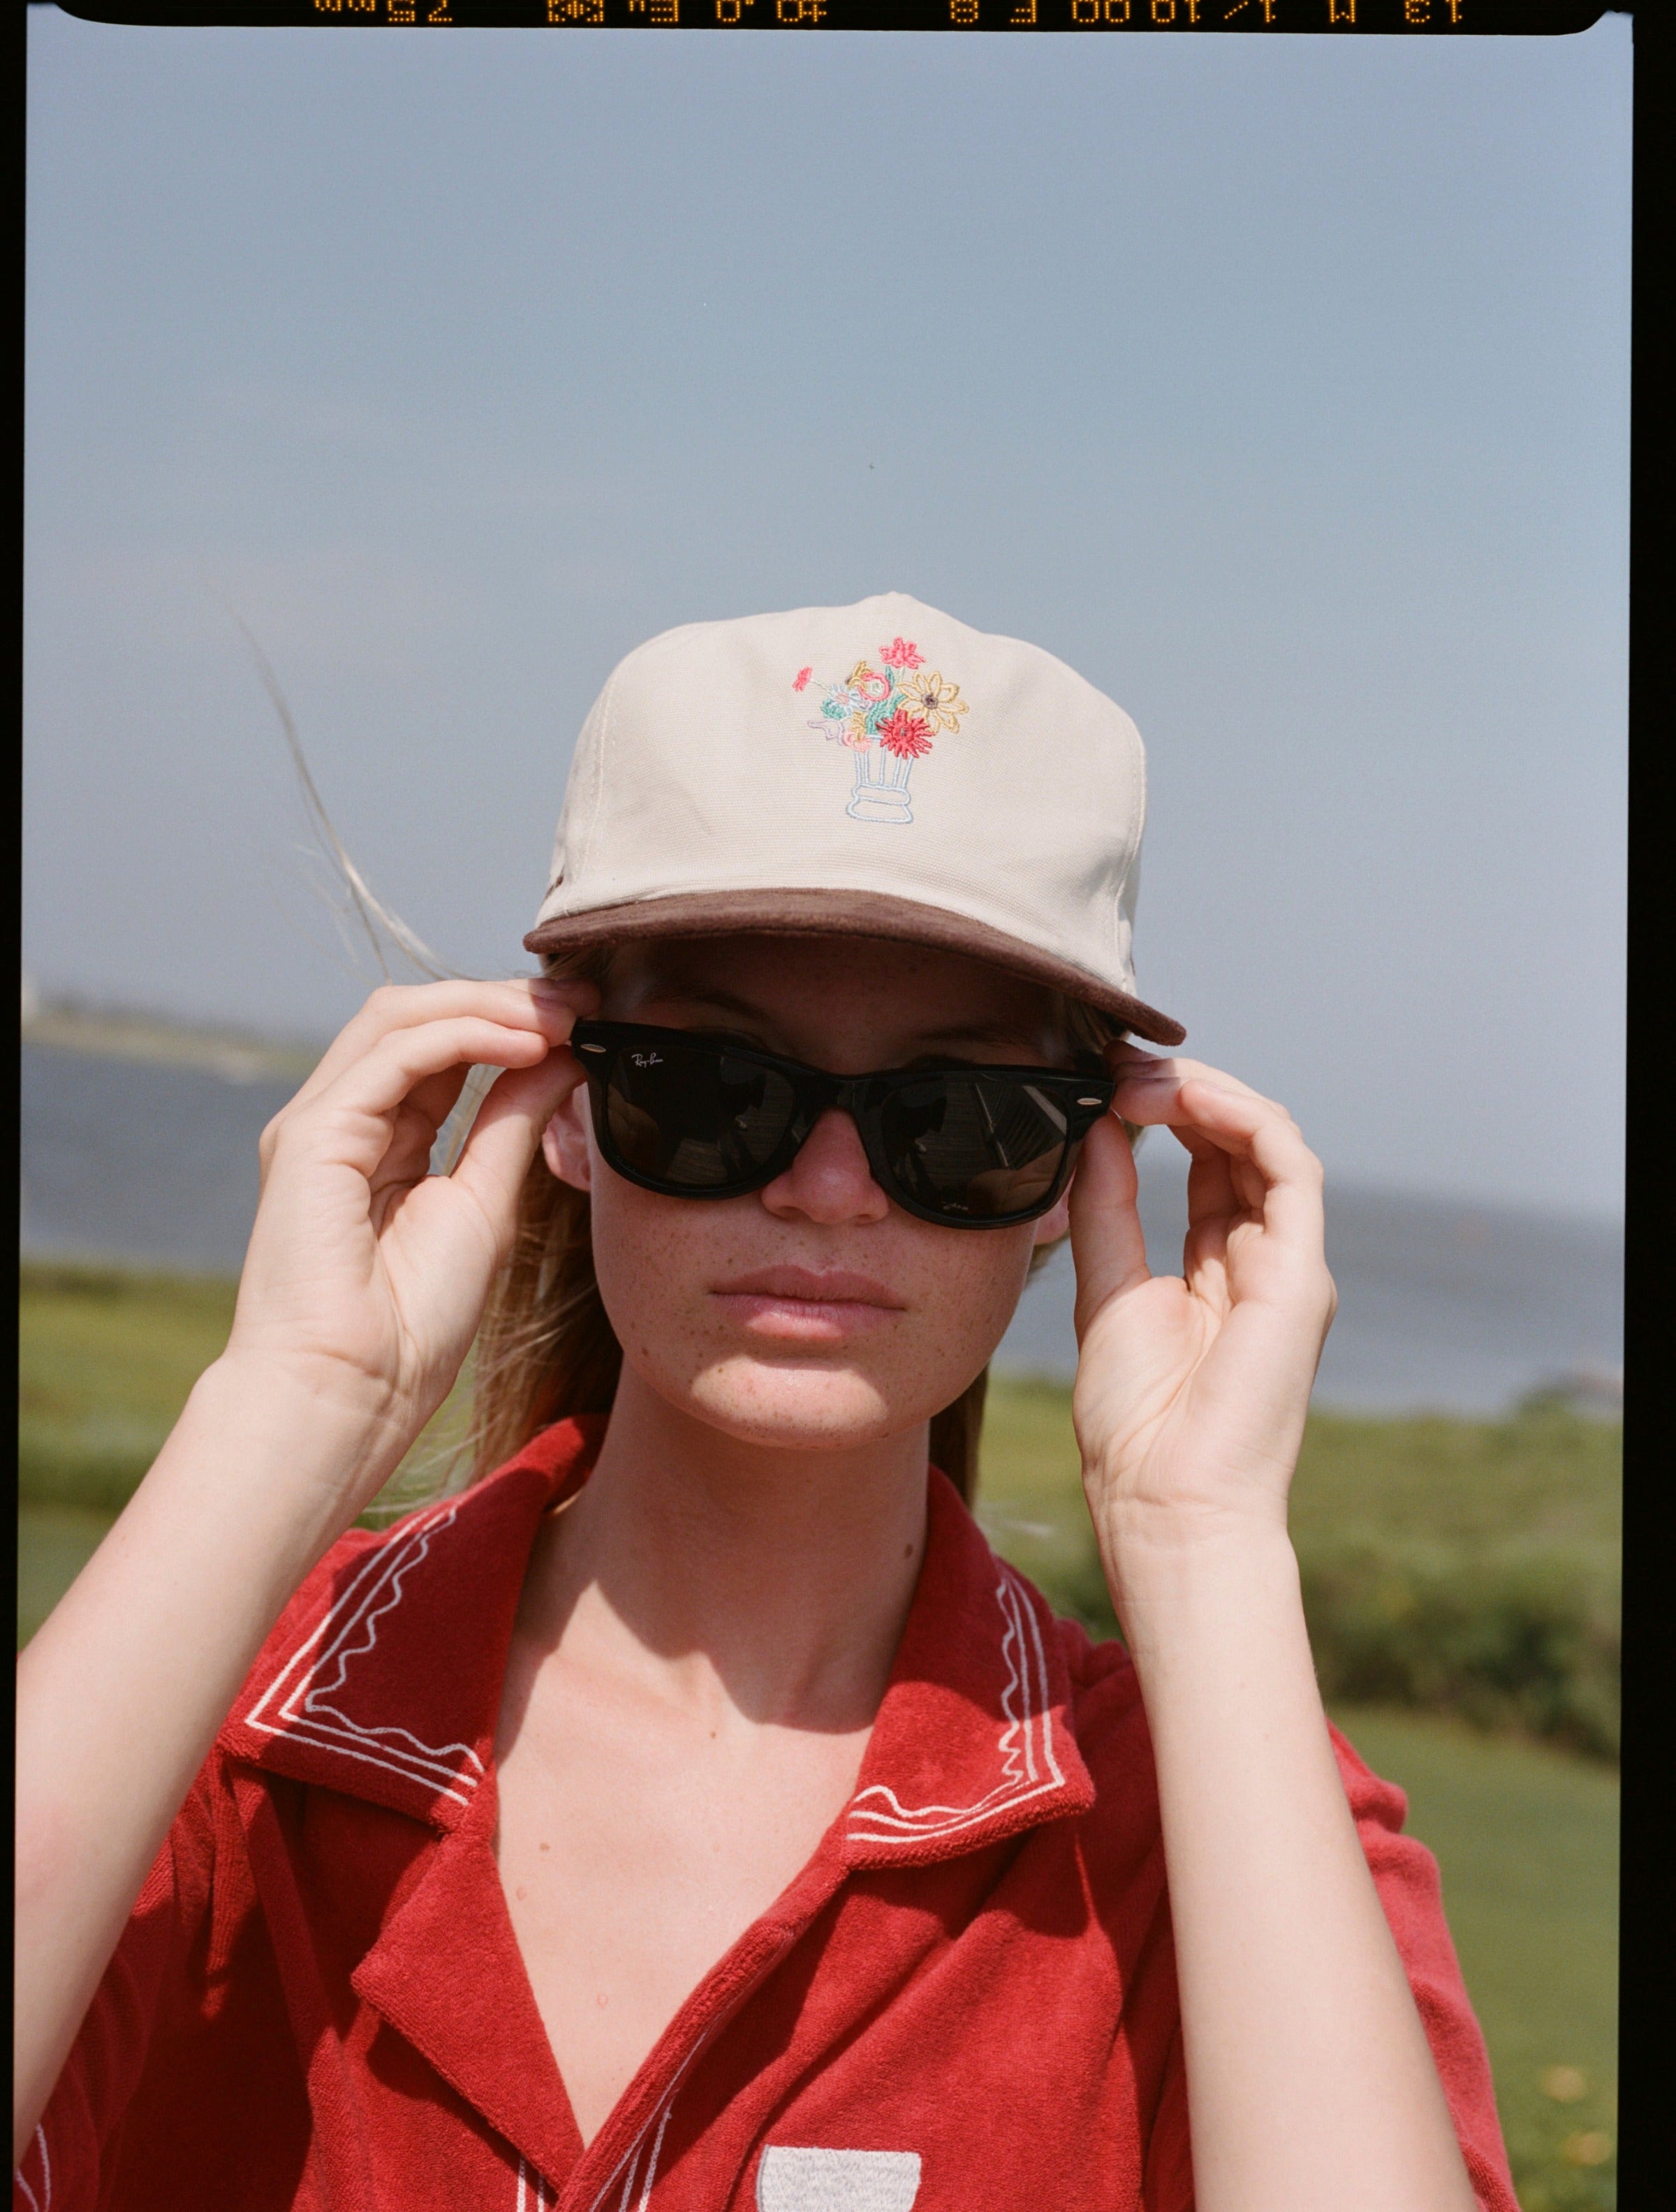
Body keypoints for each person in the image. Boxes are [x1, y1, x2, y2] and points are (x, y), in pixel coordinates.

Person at [15, 594, 1517, 2212]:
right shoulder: (218, 1727)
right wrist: (290, 1409)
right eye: (714, 1088)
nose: (829, 1187)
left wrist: (1205, 1542)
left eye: (961, 1120)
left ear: (1071, 1186)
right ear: (563, 1105)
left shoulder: (1218, 1823)